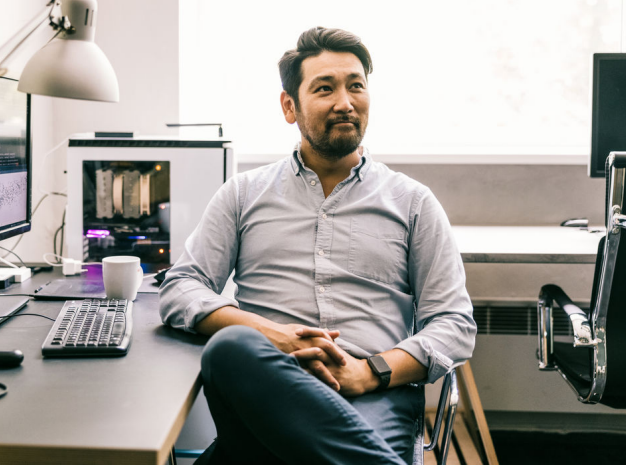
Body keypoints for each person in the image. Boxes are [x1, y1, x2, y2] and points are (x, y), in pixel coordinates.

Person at [159, 27, 476, 464]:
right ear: (290, 106)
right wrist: (273, 337)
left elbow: (453, 323)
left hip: (372, 396)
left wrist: (369, 372)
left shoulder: (413, 202)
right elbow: (180, 288)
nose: (345, 103)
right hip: (267, 386)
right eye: (325, 88)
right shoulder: (242, 194)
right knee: (231, 349)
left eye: (356, 86)